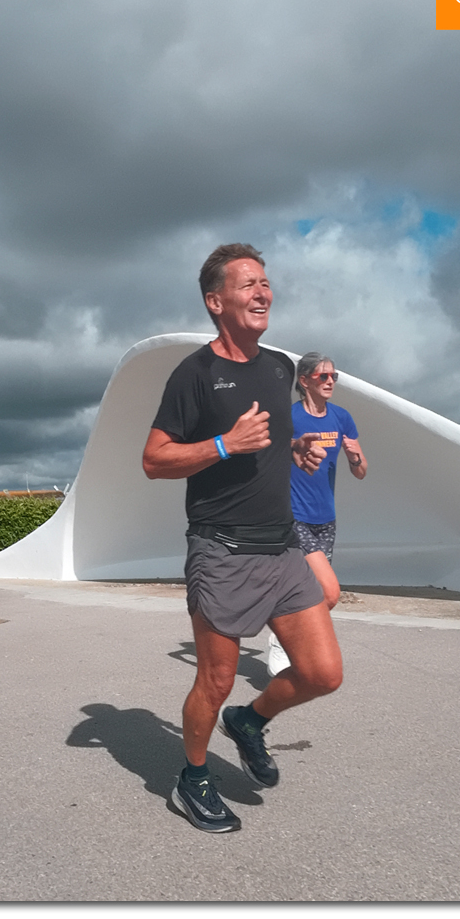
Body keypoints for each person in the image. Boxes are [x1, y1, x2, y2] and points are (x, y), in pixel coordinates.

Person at [142, 242, 340, 834]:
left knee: (322, 673)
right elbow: (154, 459)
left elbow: (268, 437)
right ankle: (193, 776)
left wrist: (293, 446)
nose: (262, 292)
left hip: (281, 546)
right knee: (216, 679)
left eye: (266, 282)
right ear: (216, 301)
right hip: (221, 549)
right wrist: (224, 443)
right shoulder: (194, 374)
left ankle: (249, 722)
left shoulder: (279, 367)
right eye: (248, 284)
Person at [267, 352, 369, 676]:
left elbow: (362, 471)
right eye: (323, 376)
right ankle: (283, 639)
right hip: (294, 514)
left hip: (326, 518)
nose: (330, 382)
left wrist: (354, 458)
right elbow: (266, 455)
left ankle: (285, 632)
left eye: (333, 377)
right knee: (329, 591)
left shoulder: (342, 418)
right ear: (305, 380)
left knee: (312, 592)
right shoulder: (290, 416)